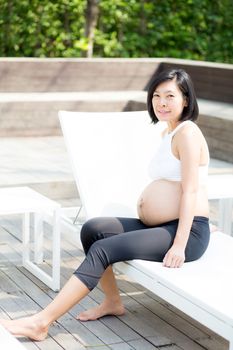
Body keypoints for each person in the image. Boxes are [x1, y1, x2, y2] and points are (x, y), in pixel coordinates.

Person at [0, 68, 210, 341]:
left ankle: (41, 322)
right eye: (156, 96)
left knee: (103, 248)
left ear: (186, 99)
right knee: (94, 229)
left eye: (170, 96)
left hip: (187, 232)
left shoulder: (188, 132)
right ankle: (113, 302)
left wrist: (181, 243)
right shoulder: (167, 133)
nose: (161, 102)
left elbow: (191, 190)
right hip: (166, 225)